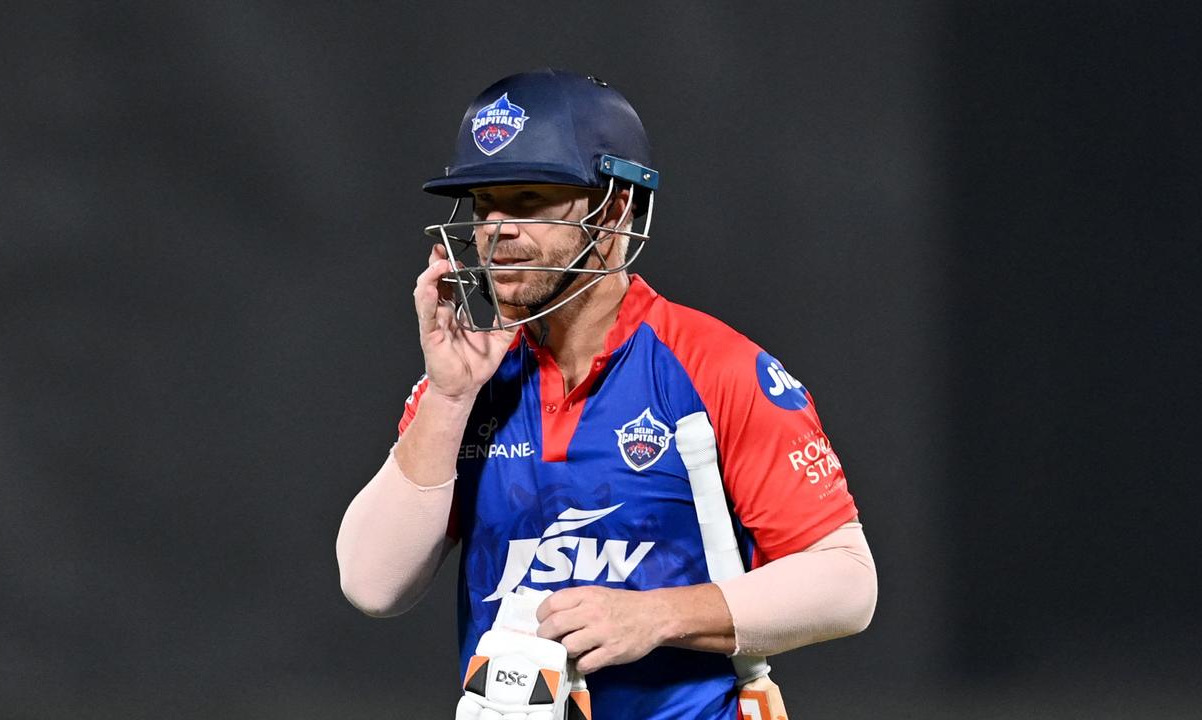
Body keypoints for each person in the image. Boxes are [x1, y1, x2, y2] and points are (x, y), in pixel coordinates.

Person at [337, 69, 877, 720]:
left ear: (615, 206)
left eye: (530, 198)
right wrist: (448, 400)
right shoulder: (468, 380)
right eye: (484, 203)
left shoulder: (715, 367)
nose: (496, 228)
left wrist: (657, 615)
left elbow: (848, 583)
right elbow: (372, 584)